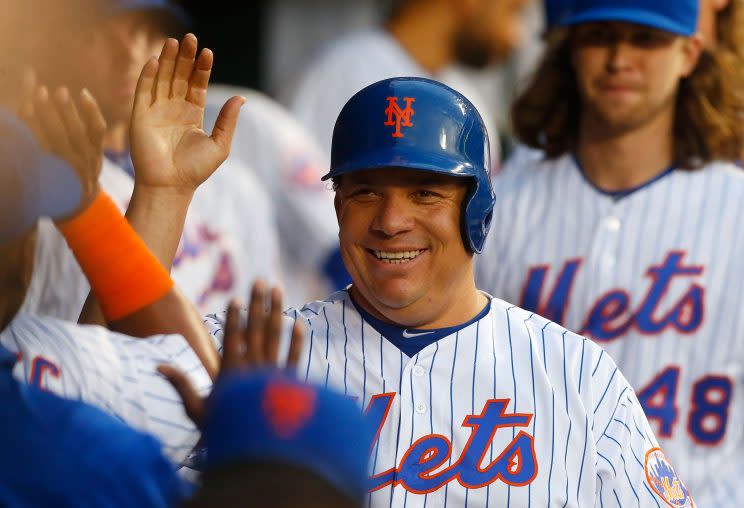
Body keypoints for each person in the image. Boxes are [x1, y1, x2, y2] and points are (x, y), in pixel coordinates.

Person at [160, 76, 692, 507]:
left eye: (425, 193)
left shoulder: (576, 374)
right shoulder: (248, 353)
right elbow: (83, 408)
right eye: (366, 191)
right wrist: (161, 194)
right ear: (339, 207)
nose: (391, 221)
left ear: (476, 210)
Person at [475, 0, 744, 504]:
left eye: (646, 38)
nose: (620, 58)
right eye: (600, 35)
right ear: (570, 48)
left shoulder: (736, 212)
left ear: (689, 52)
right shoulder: (500, 206)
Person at [2, 32, 245, 465]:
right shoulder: (38, 363)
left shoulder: (43, 354)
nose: (129, 48)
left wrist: (162, 193)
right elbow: (195, 384)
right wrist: (85, 211)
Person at [23, 0, 281, 319]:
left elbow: (266, 327)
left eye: (145, 33)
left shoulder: (235, 187)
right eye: (98, 36)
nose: (129, 55)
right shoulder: (32, 185)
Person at [283, 0, 531, 168]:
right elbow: (311, 217)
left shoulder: (466, 98)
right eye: (513, 9)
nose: (516, 38)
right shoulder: (340, 71)